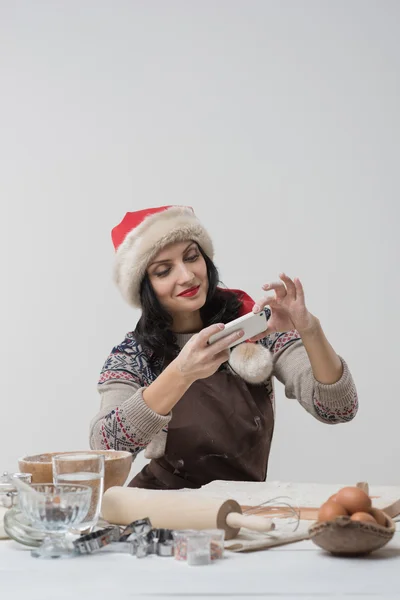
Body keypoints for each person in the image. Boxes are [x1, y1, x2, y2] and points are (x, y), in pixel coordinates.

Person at [90, 205, 358, 489]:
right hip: (163, 511)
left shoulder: (256, 328)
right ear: (145, 287)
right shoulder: (134, 355)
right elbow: (105, 450)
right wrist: (182, 373)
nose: (187, 276)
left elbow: (338, 408)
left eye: (192, 257)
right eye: (164, 270)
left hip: (242, 507)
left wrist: (309, 330)